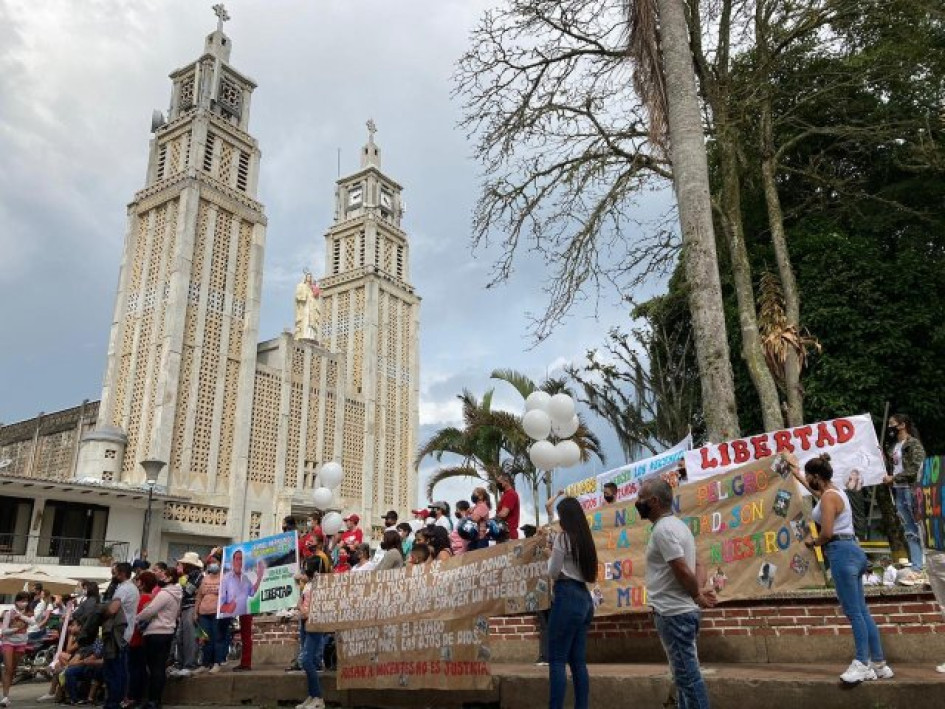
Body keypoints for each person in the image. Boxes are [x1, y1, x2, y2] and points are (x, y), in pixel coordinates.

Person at [792, 453, 893, 683]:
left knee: (853, 612)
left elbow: (826, 533)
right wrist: (797, 475)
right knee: (862, 611)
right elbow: (818, 494)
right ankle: (879, 664)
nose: (808, 481)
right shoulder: (834, 492)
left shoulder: (828, 498)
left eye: (809, 477)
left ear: (817, 476)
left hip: (841, 553)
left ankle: (861, 663)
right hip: (853, 551)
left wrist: (813, 543)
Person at [636, 477, 715, 708]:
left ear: (654, 501)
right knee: (683, 680)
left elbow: (682, 568)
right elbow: (699, 565)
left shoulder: (663, 530)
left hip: (674, 614)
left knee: (689, 680)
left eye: (641, 498)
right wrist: (697, 591)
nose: (637, 502)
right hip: (679, 612)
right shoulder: (679, 526)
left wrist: (696, 595)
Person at [542, 495, 598, 709]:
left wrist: (549, 554)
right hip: (584, 598)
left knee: (556, 660)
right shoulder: (585, 539)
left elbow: (553, 572)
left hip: (566, 595)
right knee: (578, 663)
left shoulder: (563, 539)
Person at [884, 414, 926, 571]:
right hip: (898, 490)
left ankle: (922, 564)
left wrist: (894, 477)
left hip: (911, 489)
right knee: (908, 529)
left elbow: (917, 468)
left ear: (902, 425)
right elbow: (894, 466)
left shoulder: (913, 444)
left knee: (916, 526)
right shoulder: (893, 447)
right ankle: (916, 565)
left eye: (892, 424)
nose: (890, 428)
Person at [135, 567, 182, 708]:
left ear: (169, 578)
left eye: (164, 575)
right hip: (167, 632)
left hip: (156, 632)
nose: (160, 577)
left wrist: (136, 619)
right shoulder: (177, 593)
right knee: (159, 667)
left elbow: (150, 610)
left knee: (154, 668)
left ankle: (152, 700)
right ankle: (156, 700)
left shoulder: (165, 593)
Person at [219, 549, 262, 672]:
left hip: (245, 612)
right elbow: (221, 602)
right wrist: (228, 607)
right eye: (236, 559)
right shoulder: (226, 579)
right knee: (221, 635)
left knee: (246, 637)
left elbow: (252, 592)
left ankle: (246, 663)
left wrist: (259, 577)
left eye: (241, 559)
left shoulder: (246, 578)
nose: (239, 561)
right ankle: (218, 661)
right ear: (233, 561)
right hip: (228, 613)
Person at [103, 562, 139, 709]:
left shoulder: (124, 589)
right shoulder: (132, 588)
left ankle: (114, 702)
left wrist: (101, 612)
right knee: (120, 669)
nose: (113, 576)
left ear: (122, 574)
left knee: (114, 670)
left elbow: (112, 609)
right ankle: (117, 700)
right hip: (125, 633)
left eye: (115, 573)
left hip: (118, 635)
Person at [297, 556, 329, 709]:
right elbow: (301, 601)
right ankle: (312, 695)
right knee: (305, 659)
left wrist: (307, 612)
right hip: (304, 621)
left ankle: (318, 698)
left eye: (307, 566)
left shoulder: (321, 584)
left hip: (314, 624)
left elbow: (320, 605)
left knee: (306, 660)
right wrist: (301, 609)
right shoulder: (308, 583)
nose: (305, 568)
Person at [128, 571, 158, 706]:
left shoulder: (142, 599)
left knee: (135, 668)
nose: (137, 582)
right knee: (139, 668)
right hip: (141, 637)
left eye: (139, 580)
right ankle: (137, 696)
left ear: (143, 583)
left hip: (136, 637)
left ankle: (133, 696)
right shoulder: (151, 598)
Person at [172, 551, 204, 676]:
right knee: (180, 637)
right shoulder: (188, 576)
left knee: (190, 637)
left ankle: (189, 664)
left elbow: (189, 591)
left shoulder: (197, 576)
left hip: (191, 607)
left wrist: (182, 582)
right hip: (185, 607)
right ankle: (181, 663)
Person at [196, 555, 227, 673]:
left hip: (217, 613)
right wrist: (196, 612)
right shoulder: (205, 578)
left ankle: (217, 662)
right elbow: (199, 596)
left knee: (217, 638)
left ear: (220, 563)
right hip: (203, 612)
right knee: (204, 638)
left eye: (214, 562)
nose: (212, 564)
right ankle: (205, 663)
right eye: (210, 562)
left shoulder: (224, 578)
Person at [1, 591, 31, 706]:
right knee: (8, 668)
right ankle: (5, 696)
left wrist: (22, 617)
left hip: (21, 643)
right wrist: (15, 629)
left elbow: (34, 623)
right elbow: (4, 631)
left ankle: (7, 691)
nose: (23, 603)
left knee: (13, 669)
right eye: (21, 600)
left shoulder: (28, 613)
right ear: (16, 601)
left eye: (26, 600)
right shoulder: (10, 613)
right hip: (8, 642)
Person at [496, 473, 521, 540]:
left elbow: (504, 513)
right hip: (504, 533)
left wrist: (493, 519)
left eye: (499, 482)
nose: (498, 484)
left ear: (506, 481)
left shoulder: (510, 494)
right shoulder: (506, 494)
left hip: (508, 534)